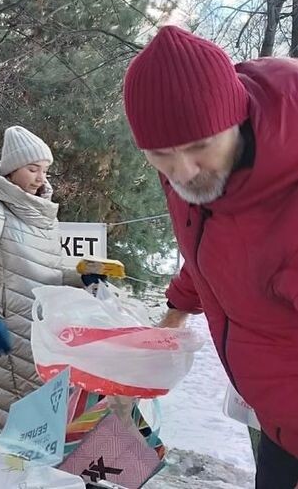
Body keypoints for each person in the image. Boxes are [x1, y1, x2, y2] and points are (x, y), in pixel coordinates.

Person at [123, 25, 298, 487]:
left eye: (200, 147)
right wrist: (177, 310)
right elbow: (210, 242)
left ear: (237, 119)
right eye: (160, 154)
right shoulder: (194, 165)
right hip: (275, 412)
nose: (183, 171)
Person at [0, 126, 82, 442]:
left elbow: (51, 274)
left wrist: (83, 276)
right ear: (12, 170)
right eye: (33, 169)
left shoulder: (47, 218)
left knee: (31, 442)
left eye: (45, 170)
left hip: (40, 343)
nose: (41, 178)